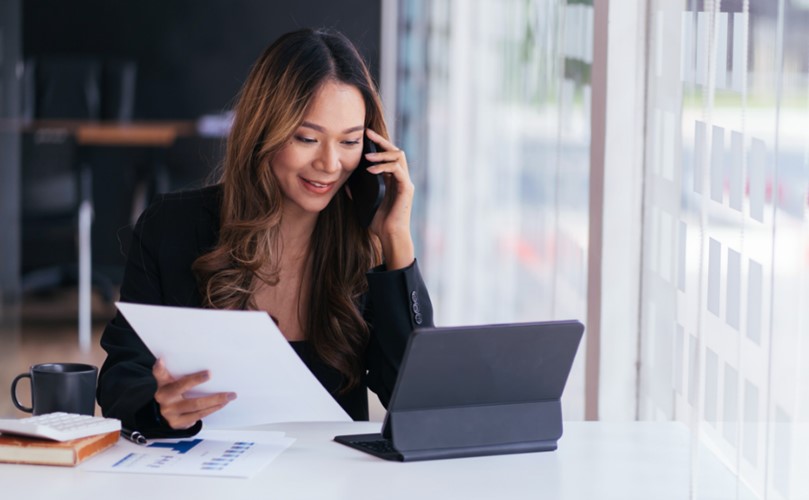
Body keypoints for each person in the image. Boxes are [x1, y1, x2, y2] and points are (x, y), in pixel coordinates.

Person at [96, 28, 433, 438]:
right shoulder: (174, 227)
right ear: (264, 131)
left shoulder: (365, 247)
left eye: (349, 141)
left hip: (329, 479)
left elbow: (417, 396)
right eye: (307, 138)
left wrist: (396, 239)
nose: (330, 163)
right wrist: (157, 403)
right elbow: (120, 377)